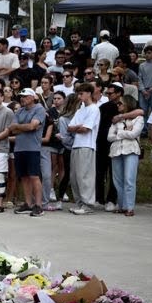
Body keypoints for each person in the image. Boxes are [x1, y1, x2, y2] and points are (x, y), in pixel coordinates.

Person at [9, 89, 47, 216]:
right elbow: (13, 130)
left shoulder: (39, 109)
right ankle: (28, 204)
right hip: (19, 148)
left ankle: (38, 205)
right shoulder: (19, 110)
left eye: (25, 96)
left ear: (32, 97)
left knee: (34, 176)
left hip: (32, 148)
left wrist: (21, 127)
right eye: (21, 96)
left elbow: (32, 126)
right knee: (24, 177)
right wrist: (27, 127)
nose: (22, 99)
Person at [68, 83, 102, 215]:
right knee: (75, 177)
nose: (79, 96)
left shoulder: (94, 109)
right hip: (76, 145)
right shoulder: (79, 110)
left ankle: (88, 204)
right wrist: (78, 127)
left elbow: (86, 129)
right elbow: (69, 127)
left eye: (81, 93)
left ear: (89, 93)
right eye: (78, 93)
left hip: (87, 145)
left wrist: (77, 127)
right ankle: (80, 203)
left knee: (84, 176)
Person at [107, 94, 144, 217]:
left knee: (129, 179)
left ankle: (129, 207)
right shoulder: (117, 119)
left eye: (120, 103)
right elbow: (109, 137)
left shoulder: (138, 118)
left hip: (131, 150)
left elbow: (134, 134)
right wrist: (125, 132)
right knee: (117, 180)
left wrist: (119, 133)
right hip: (116, 150)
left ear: (128, 103)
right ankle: (122, 205)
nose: (118, 105)